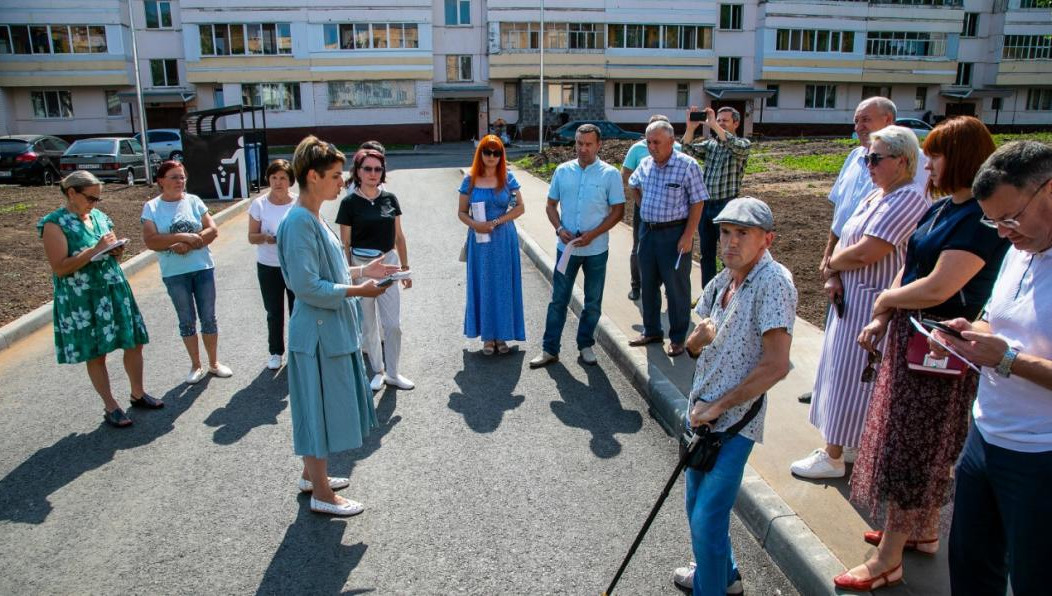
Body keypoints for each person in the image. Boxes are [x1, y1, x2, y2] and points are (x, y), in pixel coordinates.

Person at [837, 117, 1008, 591]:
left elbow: (938, 287)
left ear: (963, 158)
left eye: (935, 154)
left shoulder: (979, 219)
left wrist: (885, 302)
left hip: (939, 351)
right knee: (917, 444)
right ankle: (923, 531)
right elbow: (912, 266)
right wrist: (884, 312)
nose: (927, 164)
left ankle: (888, 559)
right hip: (913, 340)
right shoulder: (945, 207)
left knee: (913, 451)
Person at [933, 141, 1052, 596]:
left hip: (1040, 454)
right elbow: (997, 320)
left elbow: (1010, 352)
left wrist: (1006, 359)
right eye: (993, 221)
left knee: (1034, 577)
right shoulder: (1020, 249)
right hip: (986, 437)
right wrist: (971, 332)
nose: (1002, 233)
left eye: (1011, 218)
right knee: (971, 567)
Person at [670, 197, 796, 595]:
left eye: (743, 233)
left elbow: (776, 365)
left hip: (734, 422)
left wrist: (719, 407)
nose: (730, 242)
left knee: (707, 517)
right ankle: (725, 577)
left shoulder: (773, 283)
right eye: (725, 232)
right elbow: (696, 348)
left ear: (767, 239)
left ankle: (709, 587)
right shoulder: (724, 279)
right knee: (697, 506)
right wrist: (695, 342)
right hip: (702, 416)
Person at [791, 125, 930, 479]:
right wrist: (835, 273)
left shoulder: (909, 199)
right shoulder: (878, 194)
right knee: (839, 376)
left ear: (902, 161)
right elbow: (844, 234)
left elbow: (868, 251)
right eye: (867, 158)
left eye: (875, 159)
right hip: (850, 300)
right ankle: (848, 445)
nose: (868, 165)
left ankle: (833, 456)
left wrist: (831, 264)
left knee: (853, 381)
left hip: (871, 304)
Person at [276, 135, 397, 517]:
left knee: (321, 408)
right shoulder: (300, 221)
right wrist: (359, 290)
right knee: (316, 411)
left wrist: (363, 271)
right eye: (334, 176)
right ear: (312, 176)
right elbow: (307, 286)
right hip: (316, 335)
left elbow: (327, 271)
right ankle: (323, 495)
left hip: (325, 331)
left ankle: (312, 477)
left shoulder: (311, 216)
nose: (341, 182)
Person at [39, 171, 159, 428]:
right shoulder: (54, 224)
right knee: (96, 353)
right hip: (83, 298)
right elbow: (60, 268)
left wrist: (116, 251)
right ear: (72, 193)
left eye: (98, 199)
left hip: (113, 288)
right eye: (90, 198)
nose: (94, 204)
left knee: (134, 341)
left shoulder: (99, 217)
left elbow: (110, 254)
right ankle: (110, 406)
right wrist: (95, 250)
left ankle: (138, 393)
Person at [529, 123, 625, 369]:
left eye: (588, 144)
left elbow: (618, 211)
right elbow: (550, 205)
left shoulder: (609, 174)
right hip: (567, 250)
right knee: (558, 300)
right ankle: (550, 349)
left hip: (596, 250)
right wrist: (559, 229)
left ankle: (585, 345)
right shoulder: (563, 171)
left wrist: (593, 234)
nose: (583, 149)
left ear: (599, 145)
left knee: (593, 302)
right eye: (579, 143)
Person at [141, 160, 232, 384]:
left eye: (182, 177)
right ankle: (196, 365)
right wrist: (182, 237)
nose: (179, 181)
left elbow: (212, 230)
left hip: (202, 268)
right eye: (174, 177)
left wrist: (189, 244)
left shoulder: (193, 201)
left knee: (208, 317)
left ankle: (213, 363)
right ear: (161, 181)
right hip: (174, 273)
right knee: (186, 320)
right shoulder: (152, 207)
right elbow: (151, 240)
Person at [627, 120, 708, 357]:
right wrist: (644, 207)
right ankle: (652, 330)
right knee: (648, 284)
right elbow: (633, 184)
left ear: (671, 141)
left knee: (676, 289)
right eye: (649, 142)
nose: (652, 147)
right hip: (648, 233)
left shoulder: (687, 165)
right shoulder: (645, 164)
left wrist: (688, 235)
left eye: (657, 142)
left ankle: (678, 338)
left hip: (674, 235)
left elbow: (698, 202)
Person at [336, 149, 414, 391]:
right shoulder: (349, 203)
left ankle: (393, 372)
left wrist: (405, 268)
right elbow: (345, 244)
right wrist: (349, 275)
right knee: (368, 324)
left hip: (388, 264)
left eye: (378, 169)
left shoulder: (390, 199)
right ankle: (378, 371)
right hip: (362, 266)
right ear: (357, 172)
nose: (373, 173)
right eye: (367, 168)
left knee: (393, 324)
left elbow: (399, 236)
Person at [457, 134, 526, 355]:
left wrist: (496, 222)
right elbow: (461, 212)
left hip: (504, 238)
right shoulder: (470, 180)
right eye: (487, 152)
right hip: (480, 241)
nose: (492, 156)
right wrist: (476, 225)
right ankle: (487, 336)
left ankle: (502, 334)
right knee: (484, 284)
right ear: (480, 153)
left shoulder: (508, 178)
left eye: (497, 153)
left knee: (503, 284)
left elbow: (520, 208)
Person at [682, 106, 752, 286]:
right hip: (706, 206)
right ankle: (708, 291)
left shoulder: (742, 144)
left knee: (729, 252)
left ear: (736, 123)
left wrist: (713, 125)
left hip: (727, 206)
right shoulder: (711, 145)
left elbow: (734, 145)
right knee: (706, 253)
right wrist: (690, 128)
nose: (720, 123)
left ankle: (728, 291)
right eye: (718, 120)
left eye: (724, 121)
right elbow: (686, 151)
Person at [621, 114, 682, 301]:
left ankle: (668, 287)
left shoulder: (678, 150)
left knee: (670, 251)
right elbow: (627, 175)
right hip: (645, 208)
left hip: (670, 214)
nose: (653, 145)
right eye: (650, 139)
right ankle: (636, 285)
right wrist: (641, 199)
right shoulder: (637, 149)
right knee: (639, 247)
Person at [248, 159, 297, 371]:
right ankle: (276, 352)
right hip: (268, 265)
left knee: (298, 310)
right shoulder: (259, 204)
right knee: (274, 311)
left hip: (294, 265)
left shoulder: (298, 203)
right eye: (274, 177)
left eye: (283, 178)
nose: (278, 182)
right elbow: (251, 236)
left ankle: (297, 350)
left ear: (290, 181)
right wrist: (265, 238)